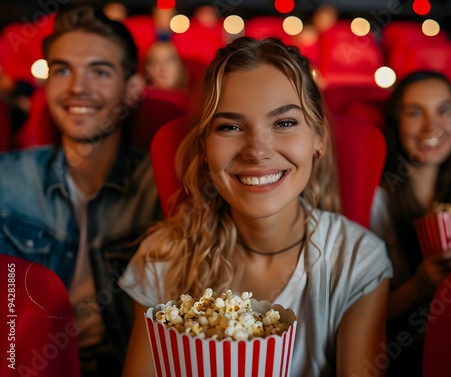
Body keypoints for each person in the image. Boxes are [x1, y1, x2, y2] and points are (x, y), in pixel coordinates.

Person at [118, 36, 392, 377]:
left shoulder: (357, 259)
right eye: (230, 127)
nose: (256, 151)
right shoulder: (163, 255)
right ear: (204, 147)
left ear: (318, 138)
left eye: (284, 123)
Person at [0, 5, 163, 376]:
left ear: (133, 88)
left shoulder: (164, 189)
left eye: (100, 71)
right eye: (62, 70)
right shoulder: (6, 181)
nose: (78, 87)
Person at [370, 70, 451, 376]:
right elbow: (354, 317)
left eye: (445, 111)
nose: (432, 126)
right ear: (396, 122)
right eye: (415, 112)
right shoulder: (378, 202)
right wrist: (419, 286)